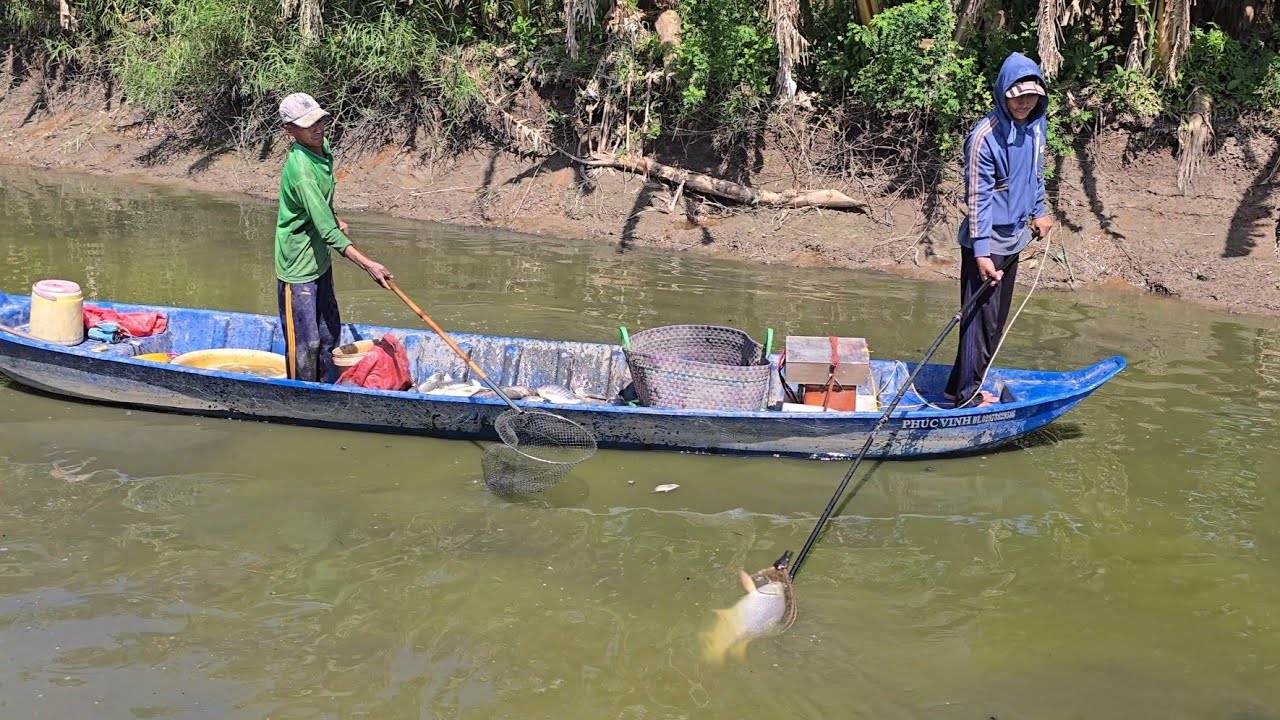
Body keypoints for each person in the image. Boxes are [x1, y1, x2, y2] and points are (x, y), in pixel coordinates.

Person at [945, 52, 1053, 408]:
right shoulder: (983, 137)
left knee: (994, 322)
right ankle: (967, 395)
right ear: (1003, 94)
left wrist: (1038, 211)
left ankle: (957, 385)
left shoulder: (1035, 129)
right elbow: (978, 199)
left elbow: (1035, 175)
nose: (1024, 103)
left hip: (1014, 237)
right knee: (978, 320)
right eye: (1017, 95)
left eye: (1031, 96)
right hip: (987, 241)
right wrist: (981, 252)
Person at [274, 92, 393, 382]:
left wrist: (331, 214)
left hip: (320, 261)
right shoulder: (301, 169)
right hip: (298, 267)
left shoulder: (322, 147)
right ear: (289, 130)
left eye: (320, 121)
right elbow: (328, 232)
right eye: (307, 125)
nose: (317, 129)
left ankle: (327, 387)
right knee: (307, 344)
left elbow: (322, 202)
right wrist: (368, 265)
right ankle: (300, 394)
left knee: (329, 333)